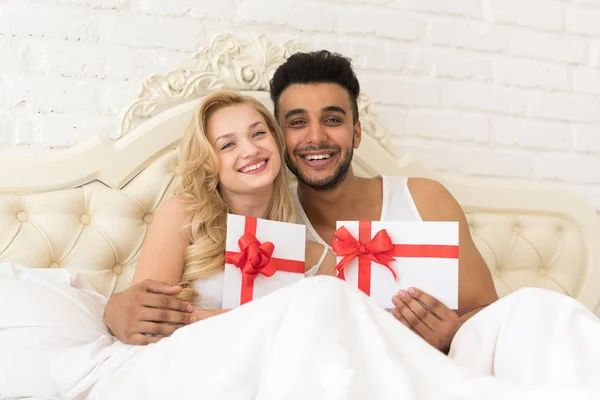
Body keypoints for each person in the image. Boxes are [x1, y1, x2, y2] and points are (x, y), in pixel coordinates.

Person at [268, 50, 498, 353]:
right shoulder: (270, 224)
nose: (316, 137)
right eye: (297, 122)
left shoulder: (424, 201)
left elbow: (490, 313)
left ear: (357, 133)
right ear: (278, 138)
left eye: (332, 119)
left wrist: (453, 336)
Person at [103, 90, 328, 345]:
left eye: (258, 133)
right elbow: (145, 323)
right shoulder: (184, 215)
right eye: (228, 145)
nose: (251, 149)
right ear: (209, 162)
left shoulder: (305, 251)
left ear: (276, 142)